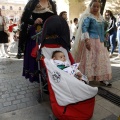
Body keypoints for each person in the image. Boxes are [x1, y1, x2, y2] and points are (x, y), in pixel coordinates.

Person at [71, 0, 112, 87]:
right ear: (90, 7)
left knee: (100, 60)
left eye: (98, 7)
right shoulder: (88, 17)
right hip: (90, 41)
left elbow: (103, 29)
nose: (96, 8)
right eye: (94, 6)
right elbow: (84, 28)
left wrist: (106, 33)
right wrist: (86, 40)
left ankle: (102, 78)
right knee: (89, 59)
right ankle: (86, 78)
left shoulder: (100, 17)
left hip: (100, 42)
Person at [18, 0, 57, 82]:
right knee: (38, 57)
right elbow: (24, 18)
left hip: (50, 34)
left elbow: (56, 18)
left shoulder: (52, 3)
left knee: (51, 55)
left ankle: (52, 77)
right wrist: (34, 21)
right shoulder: (32, 3)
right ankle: (41, 79)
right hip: (37, 34)